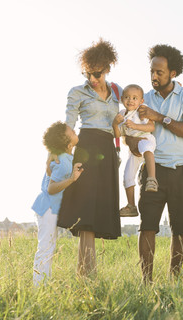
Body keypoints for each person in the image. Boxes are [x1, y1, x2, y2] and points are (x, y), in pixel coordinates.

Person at [126, 44, 183, 283]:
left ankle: (174, 281)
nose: (154, 76)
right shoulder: (143, 99)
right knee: (147, 227)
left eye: (159, 72)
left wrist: (159, 118)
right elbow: (129, 131)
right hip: (153, 171)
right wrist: (132, 142)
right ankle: (146, 283)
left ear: (173, 73)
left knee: (180, 229)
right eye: (152, 71)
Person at [55, 39, 122, 276]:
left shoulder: (117, 92)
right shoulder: (77, 92)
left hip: (108, 151)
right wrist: (58, 153)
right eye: (87, 73)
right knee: (85, 211)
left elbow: (134, 106)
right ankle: (86, 272)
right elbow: (69, 125)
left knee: (99, 211)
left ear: (107, 68)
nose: (92, 78)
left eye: (96, 73)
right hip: (86, 147)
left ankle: (87, 272)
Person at [31, 121, 84, 286]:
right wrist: (72, 179)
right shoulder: (63, 162)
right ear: (69, 144)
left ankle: (43, 284)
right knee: (46, 247)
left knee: (48, 246)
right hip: (48, 208)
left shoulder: (64, 157)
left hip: (48, 208)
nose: (76, 132)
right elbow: (52, 188)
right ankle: (38, 288)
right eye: (73, 133)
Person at [112, 84, 158, 217]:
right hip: (133, 150)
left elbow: (150, 127)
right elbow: (117, 135)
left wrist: (135, 125)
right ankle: (131, 205)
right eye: (127, 97)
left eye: (134, 98)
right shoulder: (121, 114)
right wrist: (115, 124)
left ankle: (152, 179)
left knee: (147, 149)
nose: (130, 100)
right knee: (127, 176)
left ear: (141, 101)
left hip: (145, 139)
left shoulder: (142, 110)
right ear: (121, 99)